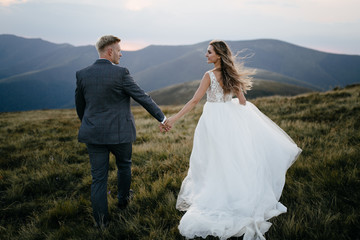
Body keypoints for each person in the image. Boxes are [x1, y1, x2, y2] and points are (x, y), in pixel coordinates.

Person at [164, 40, 302, 240]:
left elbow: (195, 100)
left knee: (212, 160)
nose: (206, 55)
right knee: (232, 159)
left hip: (212, 122)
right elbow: (243, 102)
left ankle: (217, 195)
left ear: (218, 55)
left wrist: (173, 119)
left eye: (209, 52)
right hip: (229, 121)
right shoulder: (232, 74)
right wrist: (232, 99)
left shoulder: (209, 76)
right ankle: (234, 194)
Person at [75, 35, 168, 228]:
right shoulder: (121, 73)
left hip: (93, 134)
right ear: (109, 52)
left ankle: (101, 223)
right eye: (119, 50)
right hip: (120, 134)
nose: (121, 54)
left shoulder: (82, 74)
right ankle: (123, 200)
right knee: (124, 165)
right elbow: (142, 97)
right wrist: (162, 118)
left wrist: (90, 124)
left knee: (98, 178)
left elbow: (80, 107)